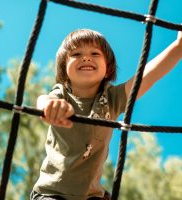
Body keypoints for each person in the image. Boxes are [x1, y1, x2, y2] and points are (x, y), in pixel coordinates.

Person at [30, 29, 182, 200]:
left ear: (108, 68)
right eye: (76, 54)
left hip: (92, 195)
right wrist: (48, 106)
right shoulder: (62, 94)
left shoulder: (112, 99)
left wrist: (178, 47)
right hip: (52, 193)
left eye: (95, 53)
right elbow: (44, 99)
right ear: (65, 69)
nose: (86, 57)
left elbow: (147, 77)